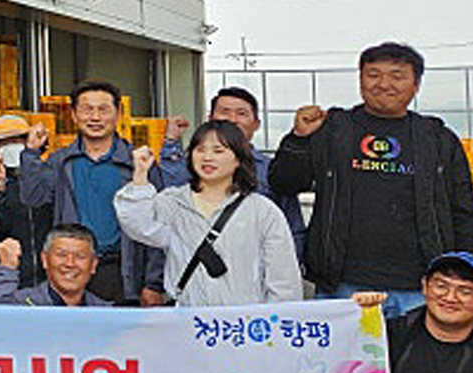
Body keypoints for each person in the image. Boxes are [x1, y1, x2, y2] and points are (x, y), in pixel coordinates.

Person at [269, 41, 473, 315]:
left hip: (420, 287)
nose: (384, 84)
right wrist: (299, 139)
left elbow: (463, 211)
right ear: (360, 80)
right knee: (344, 347)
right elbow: (284, 183)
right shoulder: (333, 130)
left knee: (418, 346)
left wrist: (470, 273)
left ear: (416, 84)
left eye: (397, 75)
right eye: (373, 74)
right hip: (342, 285)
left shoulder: (438, 139)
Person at [114, 123, 300, 307]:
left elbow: (283, 280)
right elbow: (138, 225)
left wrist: (277, 320)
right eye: (200, 150)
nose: (207, 157)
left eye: (218, 151)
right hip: (188, 318)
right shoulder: (174, 202)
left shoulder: (262, 211)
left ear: (238, 159)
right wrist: (140, 175)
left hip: (243, 319)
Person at [18, 79, 166, 306]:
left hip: (123, 269)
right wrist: (31, 154)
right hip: (73, 269)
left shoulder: (138, 163)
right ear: (74, 115)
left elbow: (159, 224)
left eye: (103, 110)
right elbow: (33, 198)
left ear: (118, 114)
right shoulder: (61, 162)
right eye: (87, 110)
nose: (95, 117)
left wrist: (154, 283)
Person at [155, 86, 306, 262]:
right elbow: (167, 200)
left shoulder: (271, 170)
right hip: (193, 268)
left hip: (253, 270)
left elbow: (292, 228)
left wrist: (290, 268)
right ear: (211, 119)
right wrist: (170, 141)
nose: (232, 120)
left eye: (241, 113)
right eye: (224, 112)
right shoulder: (193, 164)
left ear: (256, 124)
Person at [0, 113, 53, 284]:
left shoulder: (47, 178)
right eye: (4, 144)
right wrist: (0, 186)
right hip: (9, 269)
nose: (11, 147)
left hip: (48, 269)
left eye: (16, 141)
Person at [0, 228, 110, 308]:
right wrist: (7, 269)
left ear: (93, 265)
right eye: (61, 255)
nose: (70, 263)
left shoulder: (106, 313)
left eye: (80, 256)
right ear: (45, 260)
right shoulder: (23, 304)